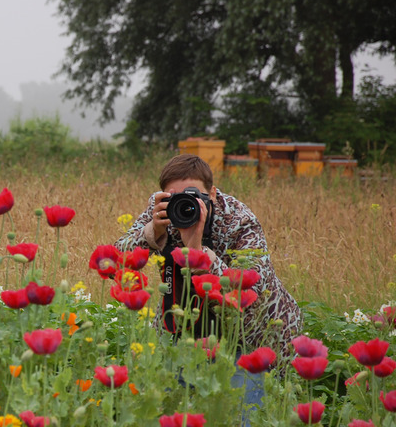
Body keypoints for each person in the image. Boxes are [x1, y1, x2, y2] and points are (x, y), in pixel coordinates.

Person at [115, 154, 302, 409]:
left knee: (243, 417)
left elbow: (251, 288)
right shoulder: (164, 210)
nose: (184, 204)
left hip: (250, 337)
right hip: (187, 330)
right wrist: (153, 232)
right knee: (164, 407)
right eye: (174, 197)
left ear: (212, 193)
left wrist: (198, 252)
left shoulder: (240, 221)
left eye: (193, 195)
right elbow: (117, 258)